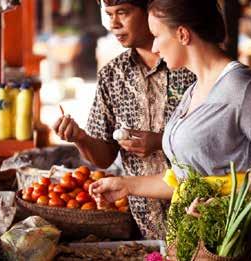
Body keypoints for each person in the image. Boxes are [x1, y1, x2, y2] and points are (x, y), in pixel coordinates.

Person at [89, 0, 251, 253]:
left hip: (247, 242)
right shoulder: (194, 90)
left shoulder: (242, 87)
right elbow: (188, 179)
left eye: (157, 35)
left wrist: (225, 204)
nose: (154, 46)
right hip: (208, 243)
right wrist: (127, 185)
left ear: (182, 34)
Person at [53, 0, 196, 239]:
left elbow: (216, 143)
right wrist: (80, 137)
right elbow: (104, 158)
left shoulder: (188, 65)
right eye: (108, 15)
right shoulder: (112, 75)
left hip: (196, 213)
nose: (114, 24)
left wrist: (162, 141)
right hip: (141, 224)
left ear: (149, 12)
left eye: (123, 13)